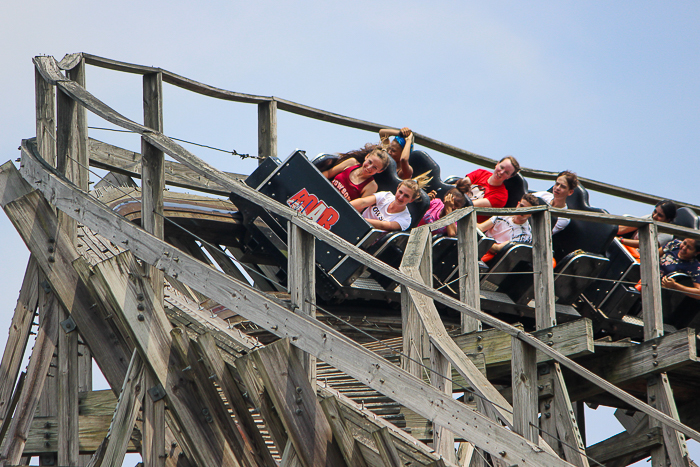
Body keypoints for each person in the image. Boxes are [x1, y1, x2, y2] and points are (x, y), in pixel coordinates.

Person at [478, 193, 539, 261]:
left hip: (491, 257)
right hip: (481, 245)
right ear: (517, 204)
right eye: (521, 206)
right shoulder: (504, 213)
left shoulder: (524, 235)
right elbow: (481, 227)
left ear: (531, 213)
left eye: (526, 209)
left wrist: (481, 239)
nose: (522, 210)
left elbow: (497, 249)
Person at [458, 156, 521, 223]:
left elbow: (469, 204)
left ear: (509, 176)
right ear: (497, 164)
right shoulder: (480, 173)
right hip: (455, 206)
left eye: (506, 172)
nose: (502, 172)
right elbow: (461, 185)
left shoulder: (501, 196)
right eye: (501, 167)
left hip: (467, 223)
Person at [351, 179, 422, 231]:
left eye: (406, 196)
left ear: (411, 200)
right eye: (400, 192)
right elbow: (363, 202)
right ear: (397, 189)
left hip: (368, 235)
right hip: (355, 222)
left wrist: (358, 219)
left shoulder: (406, 219)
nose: (401, 197)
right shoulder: (386, 195)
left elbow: (383, 225)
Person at [322, 148, 390, 201]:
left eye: (374, 167)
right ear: (367, 156)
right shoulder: (351, 162)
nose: (369, 167)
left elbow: (357, 208)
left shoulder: (372, 186)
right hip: (323, 192)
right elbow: (328, 173)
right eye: (369, 162)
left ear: (380, 171)